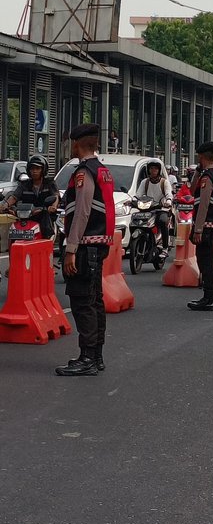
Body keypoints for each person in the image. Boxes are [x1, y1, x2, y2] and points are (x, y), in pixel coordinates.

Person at [55, 124, 115, 377]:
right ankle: (95, 355)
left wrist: (70, 249)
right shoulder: (102, 170)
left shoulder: (84, 172)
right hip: (97, 244)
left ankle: (87, 357)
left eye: (70, 143)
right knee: (94, 300)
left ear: (78, 144)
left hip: (85, 245)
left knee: (82, 303)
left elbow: (82, 211)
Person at [187, 141, 213, 312]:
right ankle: (208, 297)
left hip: (206, 225)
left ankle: (209, 298)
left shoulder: (207, 177)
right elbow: (192, 190)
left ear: (202, 157)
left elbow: (203, 204)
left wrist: (198, 229)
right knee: (208, 260)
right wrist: (197, 171)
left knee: (206, 262)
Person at [0, 153, 59, 239]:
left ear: (43, 170)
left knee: (46, 234)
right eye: (32, 168)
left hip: (44, 219)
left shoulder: (49, 183)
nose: (34, 171)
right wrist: (5, 206)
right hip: (26, 218)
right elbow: (14, 197)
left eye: (38, 168)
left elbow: (55, 196)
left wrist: (53, 206)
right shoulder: (24, 184)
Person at [136, 159, 172, 260]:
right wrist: (131, 201)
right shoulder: (145, 182)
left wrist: (168, 201)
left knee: (162, 221)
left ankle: (165, 248)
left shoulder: (164, 182)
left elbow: (169, 194)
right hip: (148, 209)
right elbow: (138, 195)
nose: (153, 171)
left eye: (155, 169)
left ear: (159, 170)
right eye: (151, 168)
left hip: (161, 209)